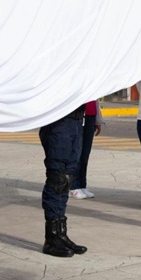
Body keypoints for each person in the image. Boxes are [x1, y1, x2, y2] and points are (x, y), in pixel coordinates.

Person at [38, 104, 92, 257]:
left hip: (76, 120)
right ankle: (52, 239)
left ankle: (61, 234)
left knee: (67, 179)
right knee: (58, 178)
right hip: (59, 121)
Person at [70, 99, 102, 200]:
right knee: (76, 152)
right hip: (77, 115)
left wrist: (98, 119)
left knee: (85, 153)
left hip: (90, 115)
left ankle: (82, 185)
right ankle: (73, 186)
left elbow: (96, 99)